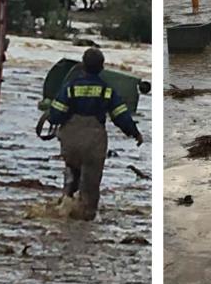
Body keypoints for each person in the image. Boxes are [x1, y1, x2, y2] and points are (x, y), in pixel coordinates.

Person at [47, 48, 144, 220]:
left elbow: (55, 115)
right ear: (101, 68)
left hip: (71, 142)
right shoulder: (107, 91)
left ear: (82, 65)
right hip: (93, 144)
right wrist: (135, 133)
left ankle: (66, 204)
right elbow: (120, 116)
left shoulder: (70, 88)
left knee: (71, 172)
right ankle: (86, 220)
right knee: (90, 186)